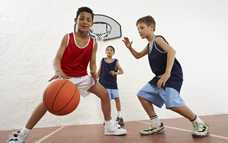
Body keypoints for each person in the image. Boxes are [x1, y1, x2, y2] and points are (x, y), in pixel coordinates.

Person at [7, 6, 127, 143]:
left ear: (92, 24)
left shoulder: (93, 42)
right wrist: (59, 72)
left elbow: (92, 63)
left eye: (88, 19)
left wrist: (94, 77)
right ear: (76, 20)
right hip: (66, 78)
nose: (85, 21)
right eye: (81, 18)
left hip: (83, 78)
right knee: (46, 103)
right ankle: (23, 135)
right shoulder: (68, 38)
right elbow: (57, 59)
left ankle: (109, 127)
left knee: (104, 94)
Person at [122, 15, 209, 137]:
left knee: (172, 103)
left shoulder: (158, 39)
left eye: (142, 27)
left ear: (151, 27)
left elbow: (172, 51)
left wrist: (167, 74)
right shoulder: (149, 45)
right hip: (159, 76)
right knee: (142, 95)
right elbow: (137, 56)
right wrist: (130, 48)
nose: (139, 31)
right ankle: (156, 123)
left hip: (172, 75)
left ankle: (199, 123)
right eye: (138, 29)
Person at [98, 45, 125, 127]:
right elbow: (99, 71)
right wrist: (94, 78)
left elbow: (122, 71)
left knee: (117, 99)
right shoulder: (102, 60)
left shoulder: (116, 61)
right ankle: (107, 119)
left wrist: (115, 73)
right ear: (105, 52)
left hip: (113, 84)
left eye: (111, 50)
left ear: (113, 52)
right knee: (106, 102)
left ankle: (119, 116)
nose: (109, 51)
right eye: (107, 50)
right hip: (103, 84)